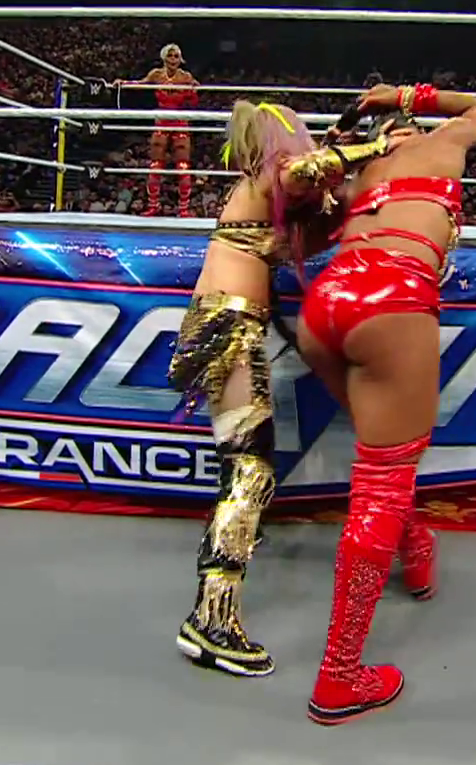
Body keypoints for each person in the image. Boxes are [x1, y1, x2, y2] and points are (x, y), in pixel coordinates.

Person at [169, 100, 394, 678]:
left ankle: (220, 588)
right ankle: (210, 622)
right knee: (249, 471)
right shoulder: (265, 179)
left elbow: (315, 219)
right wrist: (375, 147)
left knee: (247, 467)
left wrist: (356, 178)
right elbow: (304, 172)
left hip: (230, 325)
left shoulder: (267, 200)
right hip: (228, 324)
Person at [296, 81, 476, 725]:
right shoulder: (444, 143)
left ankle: (416, 548)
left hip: (325, 304)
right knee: (383, 479)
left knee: (379, 452)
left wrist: (355, 135)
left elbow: (305, 226)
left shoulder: (362, 171)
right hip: (392, 296)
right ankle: (339, 677)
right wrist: (408, 95)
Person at [136, 44, 198, 218]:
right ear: (164, 57)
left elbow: (194, 102)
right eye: (170, 56)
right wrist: (123, 84)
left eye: (176, 56)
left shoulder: (186, 77)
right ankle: (153, 206)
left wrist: (193, 91)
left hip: (179, 120)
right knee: (156, 164)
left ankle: (183, 208)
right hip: (162, 119)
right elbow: (140, 84)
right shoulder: (156, 74)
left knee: (183, 165)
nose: (173, 59)